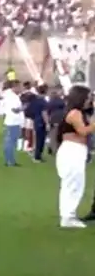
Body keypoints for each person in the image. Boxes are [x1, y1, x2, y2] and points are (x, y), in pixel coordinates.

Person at [54, 85, 94, 228]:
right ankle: (68, 216)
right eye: (88, 97)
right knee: (73, 184)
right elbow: (83, 131)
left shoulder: (77, 112)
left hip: (75, 150)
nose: (90, 100)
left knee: (73, 184)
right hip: (72, 150)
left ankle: (68, 215)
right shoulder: (75, 113)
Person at [0, 80, 24, 166]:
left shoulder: (8, 95)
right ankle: (10, 161)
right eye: (19, 87)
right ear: (15, 87)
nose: (20, 89)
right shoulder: (12, 97)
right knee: (11, 142)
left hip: (10, 121)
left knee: (9, 142)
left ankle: (9, 160)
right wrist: (23, 108)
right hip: (13, 122)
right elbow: (14, 110)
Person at [26, 84, 50, 162]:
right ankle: (37, 156)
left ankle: (38, 155)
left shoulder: (35, 100)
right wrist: (47, 123)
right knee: (40, 139)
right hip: (41, 122)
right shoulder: (43, 101)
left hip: (36, 120)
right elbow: (44, 113)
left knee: (38, 139)